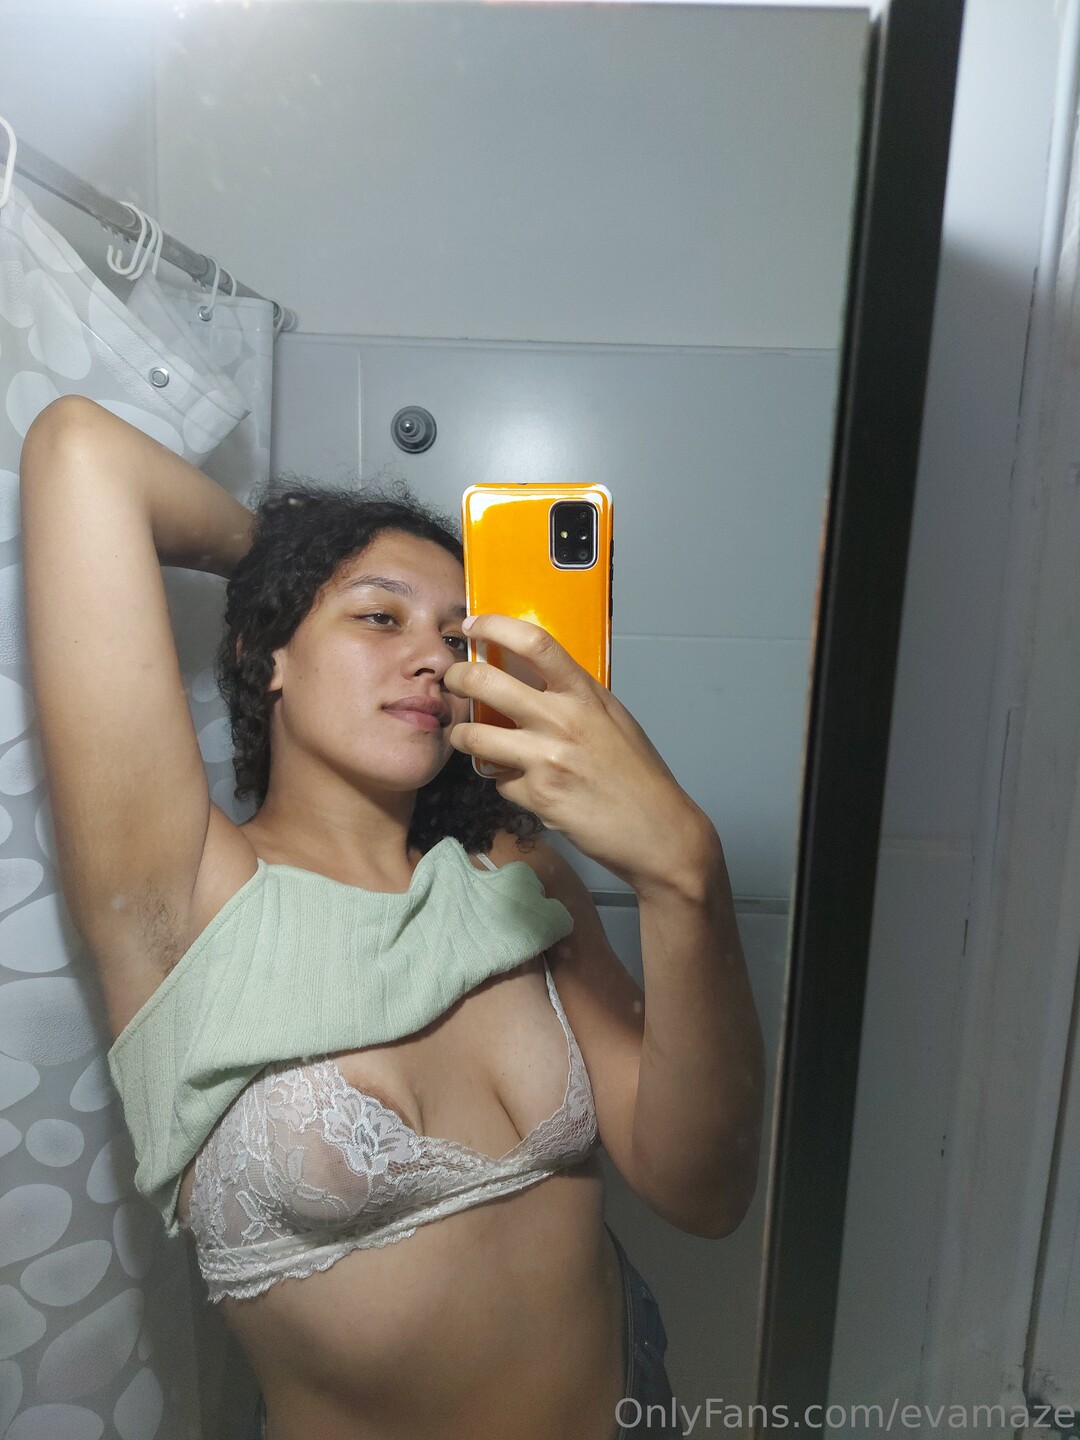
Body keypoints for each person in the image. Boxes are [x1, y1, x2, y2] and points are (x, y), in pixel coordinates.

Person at [19, 393, 766, 1440]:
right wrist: (282, 560)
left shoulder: (513, 874)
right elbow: (80, 449)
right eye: (379, 617)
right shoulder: (187, 892)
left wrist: (685, 874)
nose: (433, 659)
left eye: (457, 636)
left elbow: (705, 1193)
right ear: (267, 654)